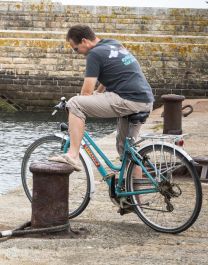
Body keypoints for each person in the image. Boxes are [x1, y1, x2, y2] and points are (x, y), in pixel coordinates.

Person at [49, 24, 154, 170]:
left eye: (75, 48)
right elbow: (111, 72)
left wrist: (87, 97)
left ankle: (73, 155)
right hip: (145, 100)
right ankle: (134, 192)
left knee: (75, 104)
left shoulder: (94, 54)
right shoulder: (114, 44)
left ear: (85, 41)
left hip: (129, 100)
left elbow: (86, 93)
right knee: (128, 152)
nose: (77, 52)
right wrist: (98, 93)